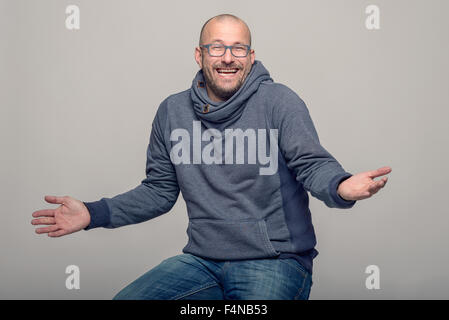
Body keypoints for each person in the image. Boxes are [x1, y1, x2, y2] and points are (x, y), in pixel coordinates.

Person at [31, 14, 391, 300]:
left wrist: (341, 185)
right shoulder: (172, 112)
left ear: (251, 57)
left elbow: (311, 163)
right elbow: (158, 191)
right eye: (216, 47)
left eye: (238, 48)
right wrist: (94, 213)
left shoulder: (279, 101)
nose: (228, 57)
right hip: (202, 262)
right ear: (199, 55)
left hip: (274, 262)